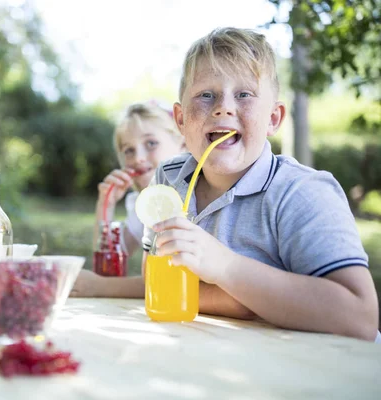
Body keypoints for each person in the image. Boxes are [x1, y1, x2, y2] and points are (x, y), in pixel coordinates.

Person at [141, 27, 379, 341]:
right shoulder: (168, 181)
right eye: (206, 95)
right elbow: (153, 281)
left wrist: (225, 268)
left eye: (244, 94)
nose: (223, 107)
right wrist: (241, 302)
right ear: (181, 119)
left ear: (273, 118)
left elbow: (359, 316)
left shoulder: (302, 193)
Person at [70, 101, 186, 297]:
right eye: (129, 150)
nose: (138, 158)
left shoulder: (190, 199)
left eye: (151, 143)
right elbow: (109, 264)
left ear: (183, 144)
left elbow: (171, 283)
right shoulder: (145, 204)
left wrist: (99, 287)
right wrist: (105, 204)